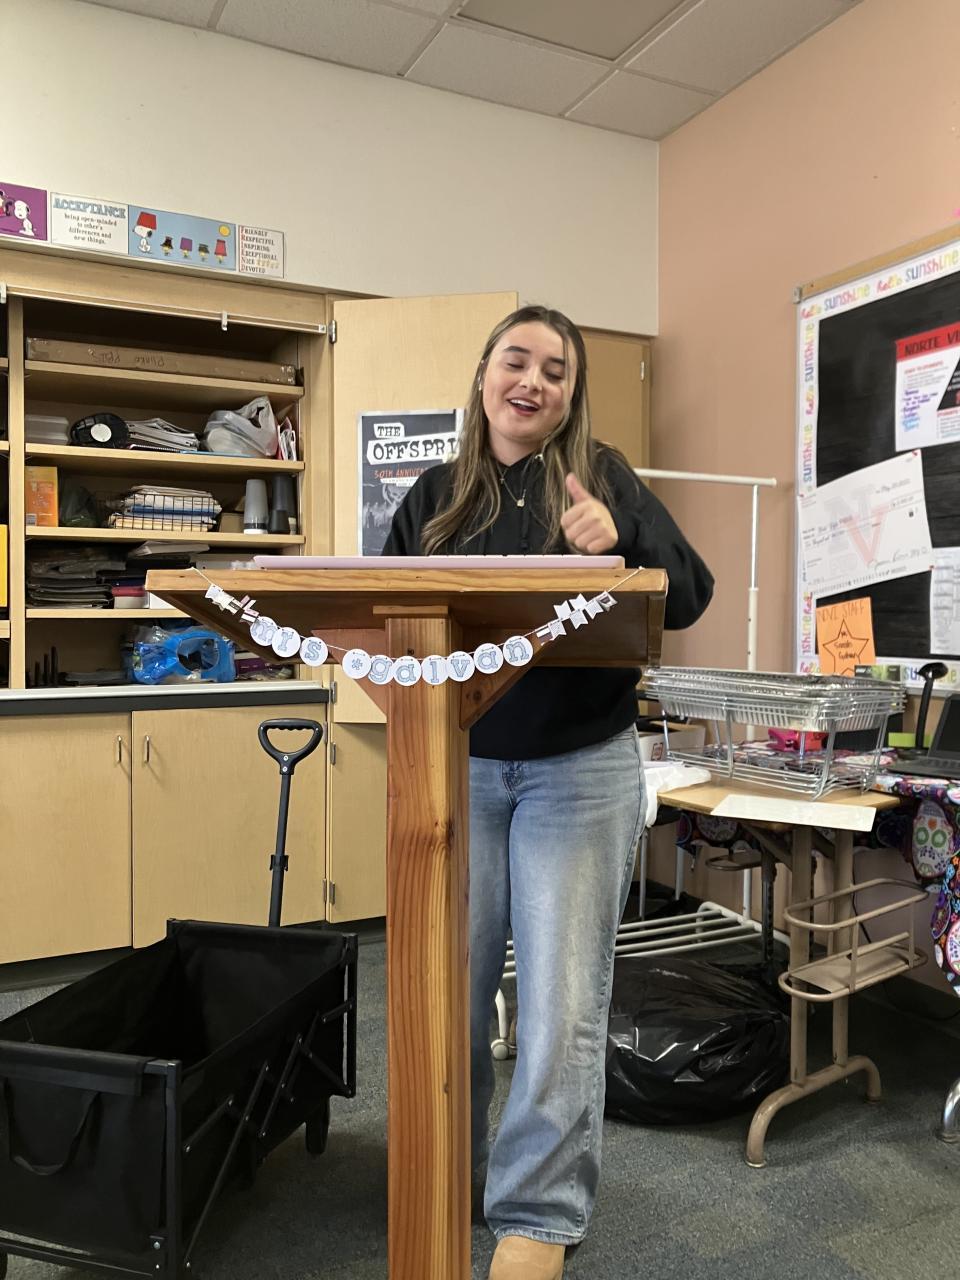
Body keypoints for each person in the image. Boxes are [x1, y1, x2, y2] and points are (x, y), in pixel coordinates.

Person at [382, 305, 713, 1280]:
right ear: (484, 374)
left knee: (562, 1001)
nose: (533, 380)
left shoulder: (602, 476)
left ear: (571, 393)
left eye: (555, 370)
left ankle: (536, 1208)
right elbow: (385, 608)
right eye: (516, 360)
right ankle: (449, 1168)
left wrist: (622, 538)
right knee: (449, 985)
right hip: (460, 766)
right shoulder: (435, 494)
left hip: (579, 770)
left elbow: (689, 592)